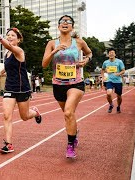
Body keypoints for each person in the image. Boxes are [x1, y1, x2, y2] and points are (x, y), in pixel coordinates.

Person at [42, 15, 92, 159]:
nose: (65, 23)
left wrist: (86, 60)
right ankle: (74, 133)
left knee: (68, 113)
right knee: (68, 115)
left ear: (72, 27)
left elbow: (89, 53)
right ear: (58, 26)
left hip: (75, 83)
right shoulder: (51, 43)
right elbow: (44, 64)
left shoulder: (79, 42)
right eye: (62, 22)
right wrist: (54, 51)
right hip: (58, 85)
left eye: (68, 22)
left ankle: (70, 146)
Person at [0, 28, 42, 154]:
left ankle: (35, 112)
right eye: (8, 35)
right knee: (6, 115)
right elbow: (7, 67)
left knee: (24, 117)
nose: (10, 37)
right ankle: (8, 144)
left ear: (18, 39)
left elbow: (10, 47)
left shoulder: (19, 51)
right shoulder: (6, 54)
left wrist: (0, 38)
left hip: (22, 88)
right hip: (9, 88)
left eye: (13, 35)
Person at [101, 48, 125, 114]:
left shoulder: (119, 62)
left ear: (115, 54)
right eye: (110, 53)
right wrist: (103, 78)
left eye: (112, 53)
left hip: (118, 81)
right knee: (108, 93)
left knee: (119, 96)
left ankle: (118, 106)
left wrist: (118, 74)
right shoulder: (105, 62)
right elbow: (102, 69)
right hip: (109, 80)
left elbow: (123, 70)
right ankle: (111, 105)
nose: (111, 54)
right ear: (108, 54)